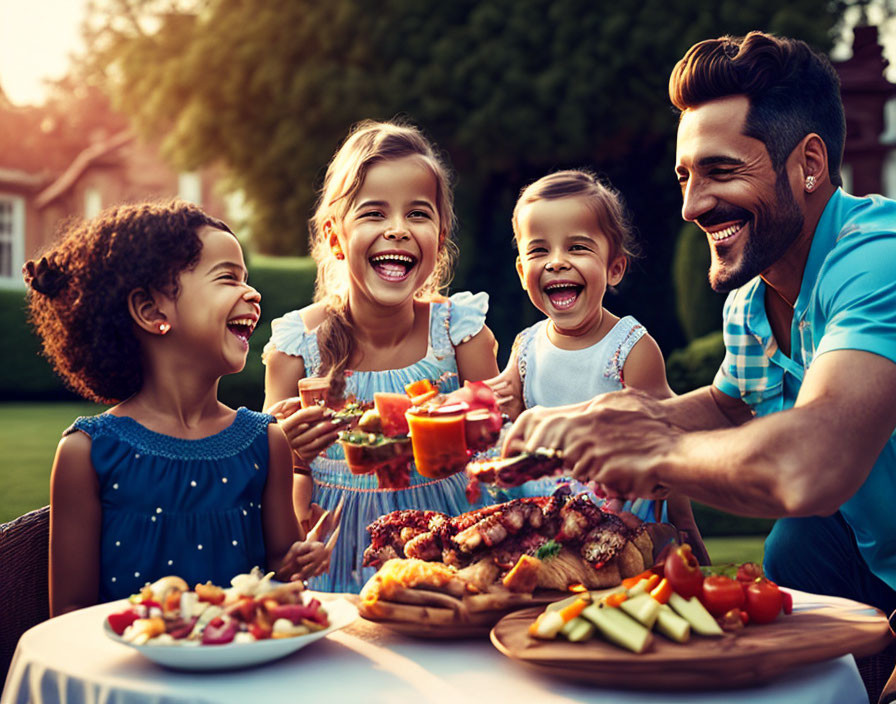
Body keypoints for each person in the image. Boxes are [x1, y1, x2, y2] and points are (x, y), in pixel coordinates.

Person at [503, 31, 896, 614]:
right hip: (864, 549)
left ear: (809, 164)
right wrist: (611, 420)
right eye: (686, 176)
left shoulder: (877, 258)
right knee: (796, 547)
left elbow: (817, 461)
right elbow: (729, 405)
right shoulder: (750, 298)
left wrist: (652, 453)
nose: (691, 206)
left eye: (721, 170)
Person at [24, 201, 334, 616]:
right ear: (152, 311)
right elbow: (70, 614)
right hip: (134, 677)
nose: (253, 293)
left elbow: (278, 575)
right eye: (227, 278)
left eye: (247, 279)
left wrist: (297, 564)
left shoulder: (267, 441)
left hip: (244, 672)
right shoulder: (87, 453)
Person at [263, 120, 500, 592]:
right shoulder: (296, 349)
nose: (397, 230)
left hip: (450, 554)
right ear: (335, 236)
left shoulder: (460, 335)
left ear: (440, 233)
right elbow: (271, 485)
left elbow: (496, 456)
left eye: (418, 214)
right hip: (335, 565)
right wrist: (285, 454)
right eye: (374, 213)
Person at [487, 170, 705, 555]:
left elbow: (669, 438)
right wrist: (499, 405)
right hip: (546, 522)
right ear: (523, 273)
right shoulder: (525, 347)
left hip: (621, 519)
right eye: (539, 251)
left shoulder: (631, 348)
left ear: (614, 268)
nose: (556, 263)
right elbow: (513, 428)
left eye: (577, 248)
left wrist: (683, 522)